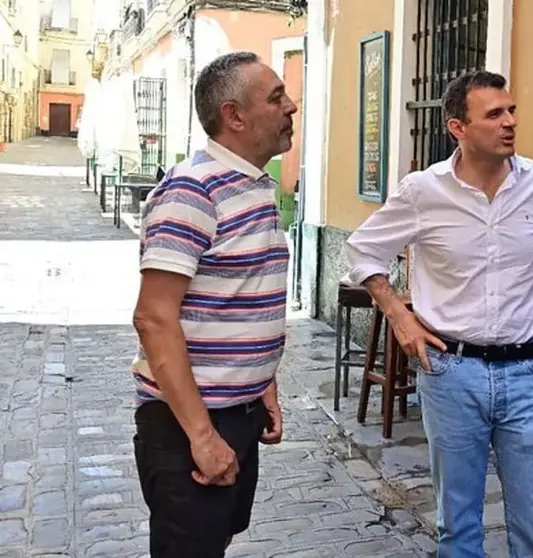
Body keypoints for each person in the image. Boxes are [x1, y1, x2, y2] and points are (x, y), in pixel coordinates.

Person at [344, 70, 533, 557]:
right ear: (458, 128)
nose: (509, 122)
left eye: (512, 110)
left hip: (528, 373)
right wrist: (400, 316)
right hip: (452, 373)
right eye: (494, 114)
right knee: (458, 529)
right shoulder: (422, 191)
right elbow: (363, 253)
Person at [130, 51, 297, 557]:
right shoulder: (192, 191)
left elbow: (235, 299)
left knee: (215, 543)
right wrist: (202, 436)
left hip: (236, 414)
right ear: (234, 116)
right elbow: (154, 318)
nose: (291, 106)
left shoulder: (255, 187)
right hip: (189, 423)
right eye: (276, 97)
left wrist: (263, 384)